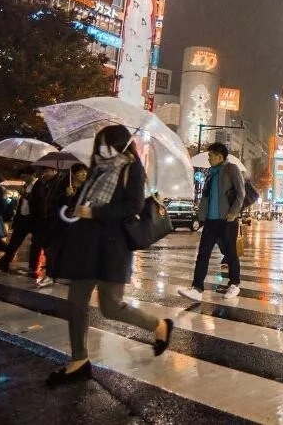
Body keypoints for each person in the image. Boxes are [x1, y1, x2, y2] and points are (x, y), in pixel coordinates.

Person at [47, 125, 172, 386]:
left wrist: (94, 212)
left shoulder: (131, 169)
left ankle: (159, 326)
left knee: (111, 307)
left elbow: (132, 206)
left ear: (121, 144)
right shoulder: (96, 170)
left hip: (113, 247)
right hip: (85, 245)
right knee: (76, 302)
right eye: (100, 143)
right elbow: (85, 204)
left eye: (108, 144)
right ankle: (79, 359)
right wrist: (75, 203)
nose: (103, 149)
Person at [178, 142, 244, 302]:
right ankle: (197, 288)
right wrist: (201, 217)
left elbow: (241, 193)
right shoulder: (211, 173)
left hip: (227, 220)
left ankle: (234, 284)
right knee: (203, 254)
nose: (208, 158)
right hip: (210, 221)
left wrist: (233, 213)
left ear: (220, 156)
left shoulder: (231, 169)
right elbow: (206, 197)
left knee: (230, 253)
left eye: (211, 155)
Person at [0, 166, 38, 273]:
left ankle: (33, 266)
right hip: (22, 218)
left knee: (36, 245)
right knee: (14, 242)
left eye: (25, 176)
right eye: (22, 176)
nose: (23, 178)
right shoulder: (25, 185)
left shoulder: (39, 185)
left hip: (34, 219)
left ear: (32, 175)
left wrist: (26, 194)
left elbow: (39, 200)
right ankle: (4, 262)